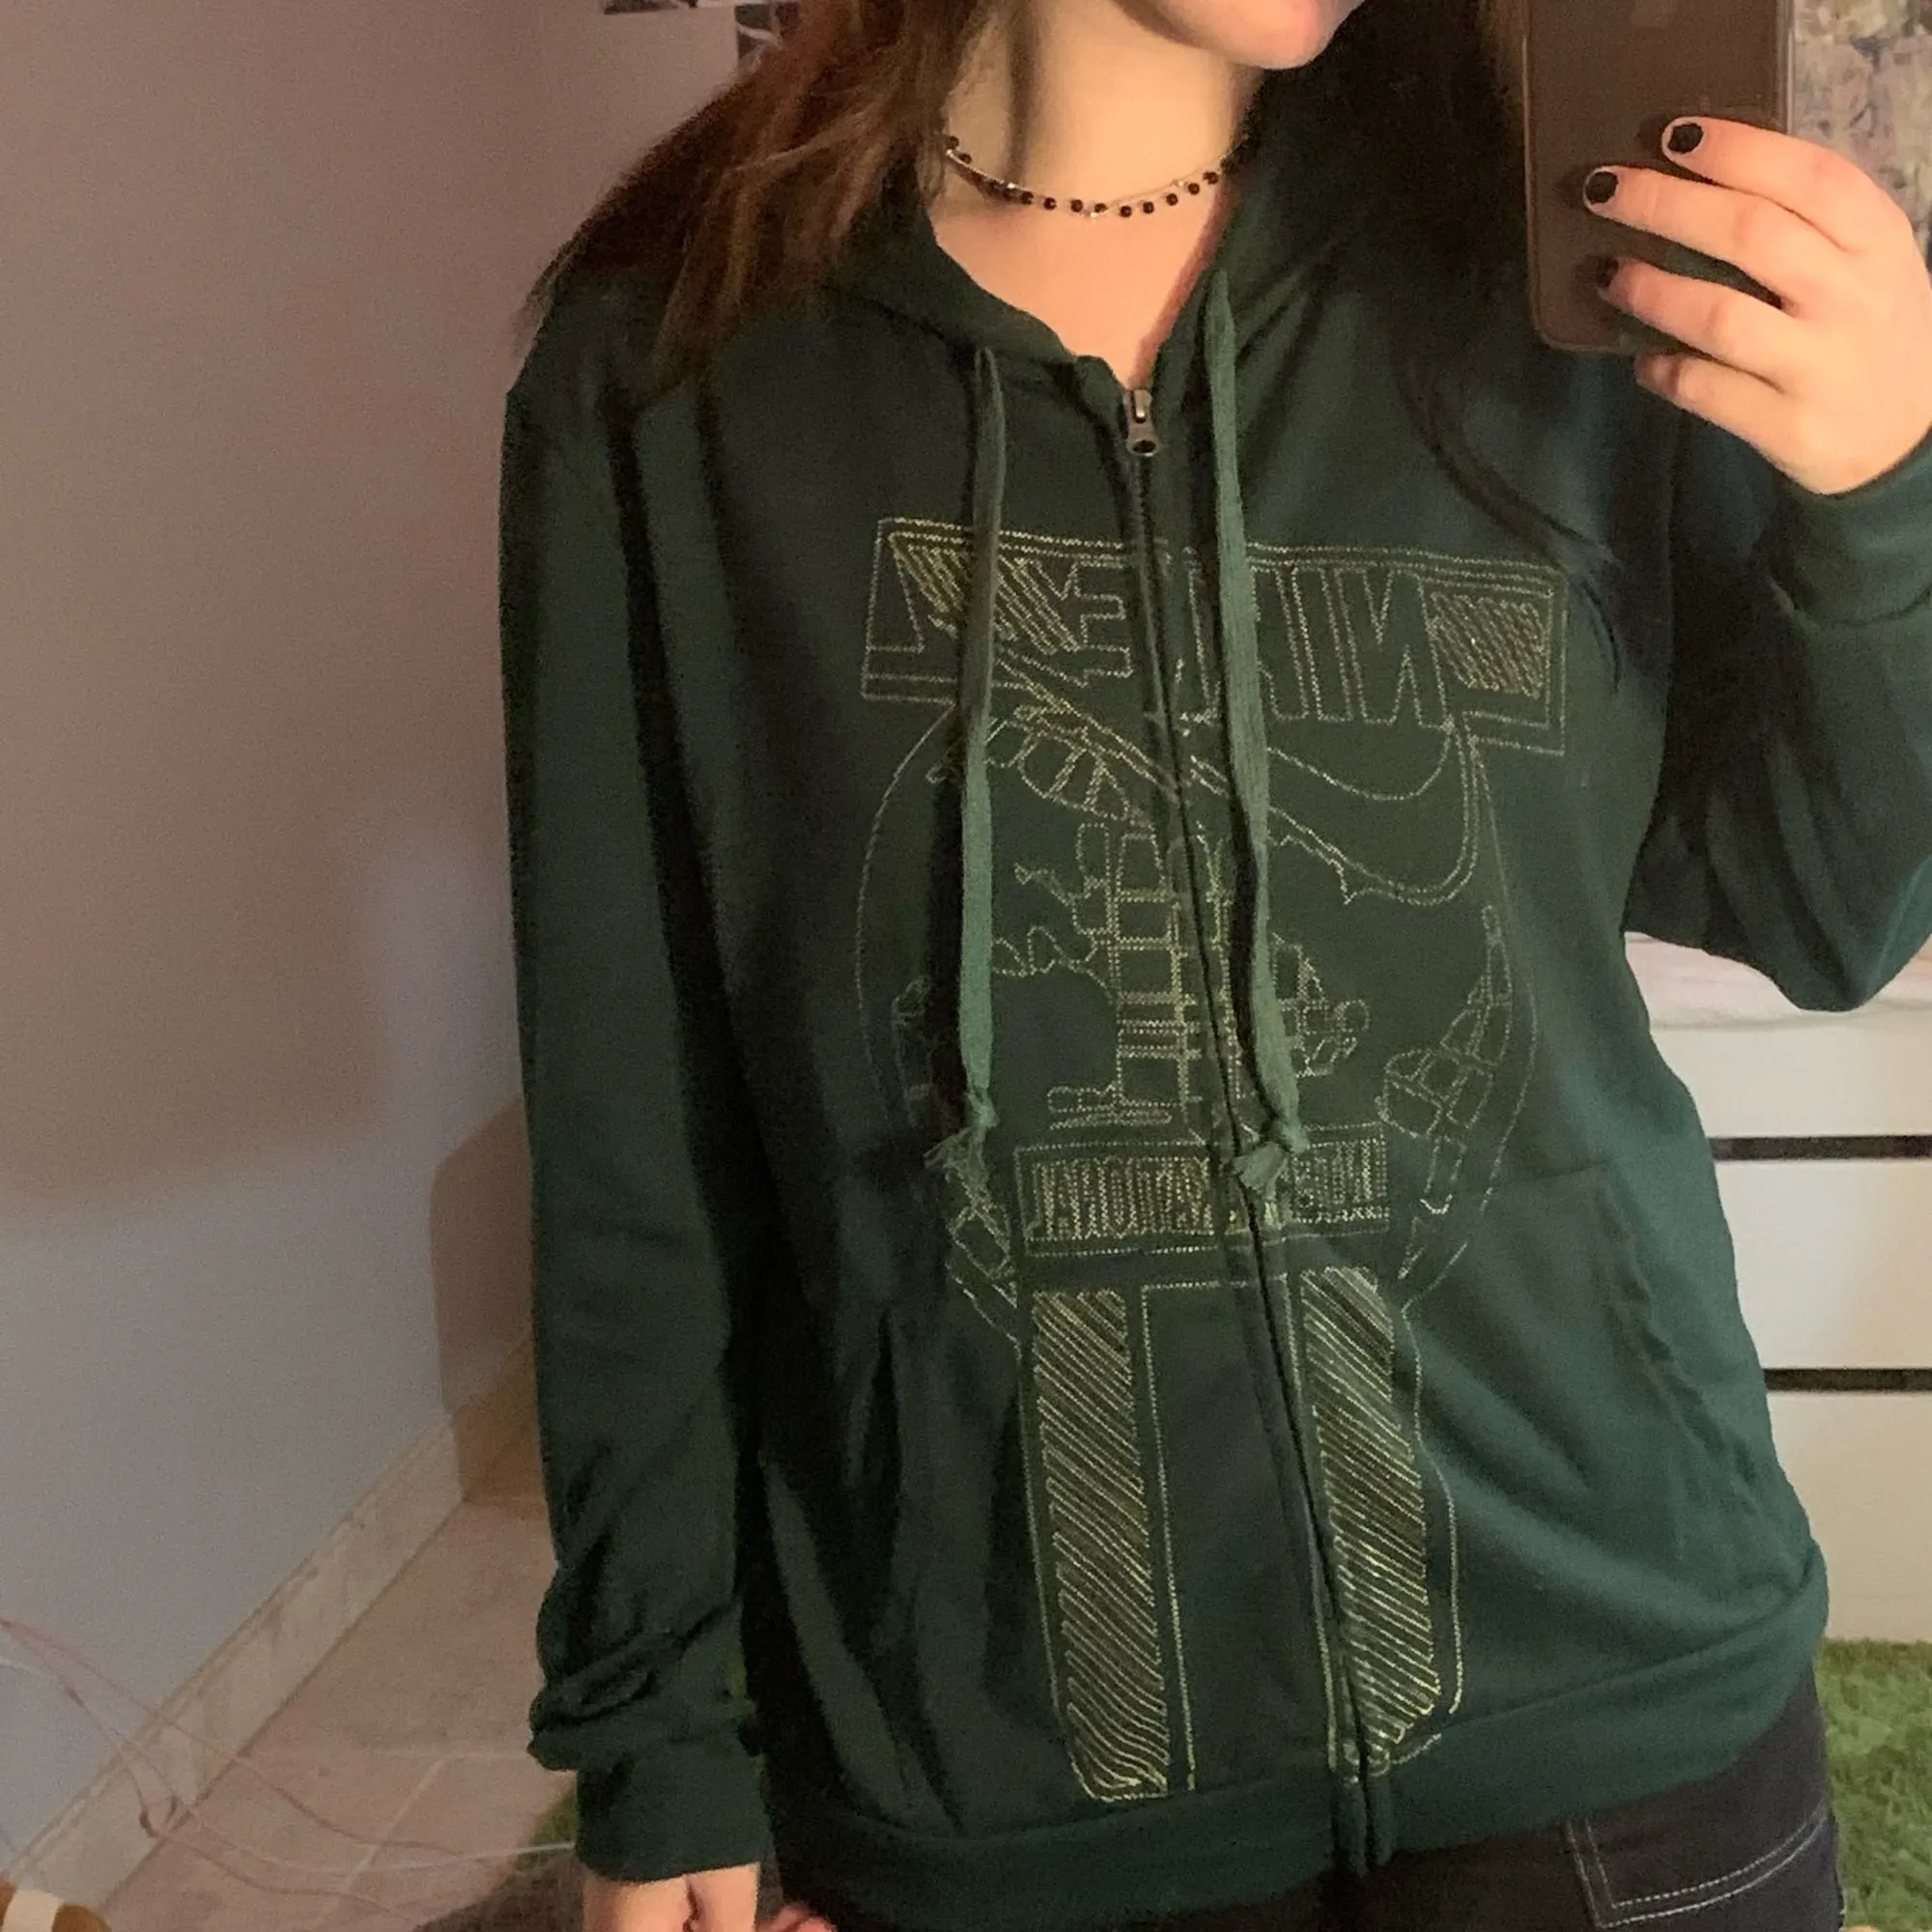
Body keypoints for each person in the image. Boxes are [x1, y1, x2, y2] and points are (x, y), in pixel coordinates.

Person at [495, 1, 1932, 1928]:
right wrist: (655, 1724)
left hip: (1622, 1720)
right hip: (1009, 1778)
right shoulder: (675, 360)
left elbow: (1826, 904)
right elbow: (636, 1113)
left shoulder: (1557, 269)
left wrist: (1884, 494)